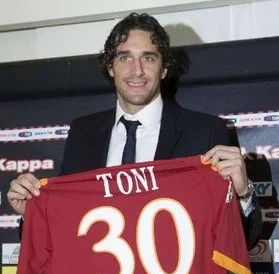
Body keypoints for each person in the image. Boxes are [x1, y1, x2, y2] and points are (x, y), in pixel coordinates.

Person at [7, 12, 262, 249]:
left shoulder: (205, 131)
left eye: (148, 58)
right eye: (124, 57)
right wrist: (32, 214)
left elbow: (241, 242)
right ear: (110, 67)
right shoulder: (83, 133)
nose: (136, 70)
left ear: (163, 69)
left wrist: (242, 194)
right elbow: (63, 230)